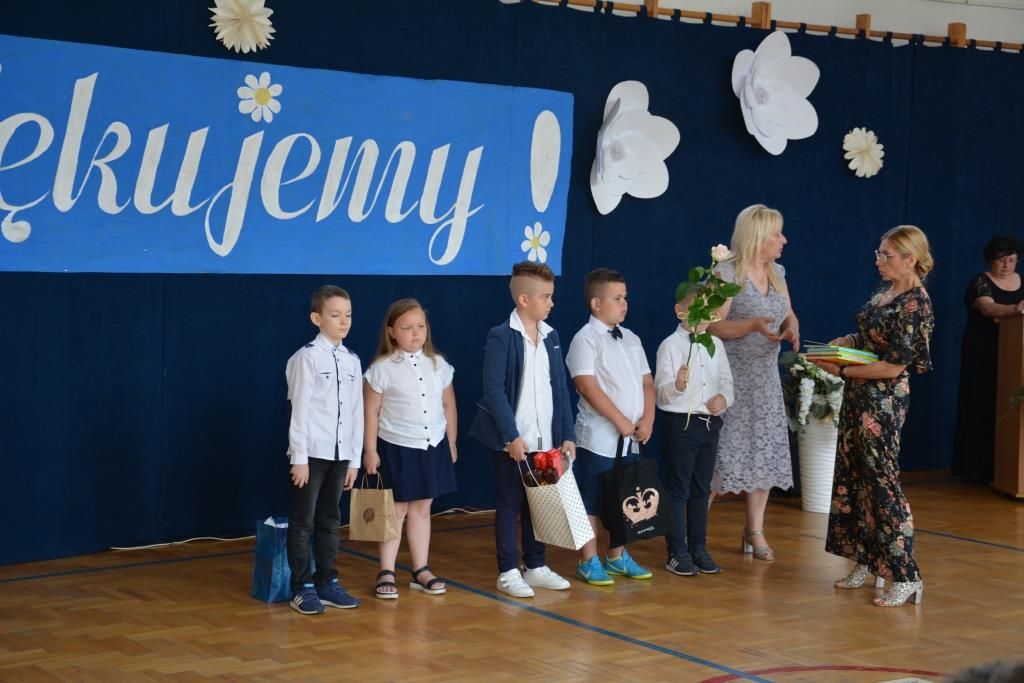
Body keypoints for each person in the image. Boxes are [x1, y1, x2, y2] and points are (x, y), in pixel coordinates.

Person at [815, 225, 935, 608]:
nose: (878, 260)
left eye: (886, 255)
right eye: (879, 253)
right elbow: (869, 336)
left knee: (882, 484)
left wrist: (842, 370)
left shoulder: (916, 304)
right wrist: (846, 342)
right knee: (855, 478)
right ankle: (867, 561)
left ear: (910, 259)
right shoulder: (887, 293)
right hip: (858, 396)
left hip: (882, 403)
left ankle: (906, 574)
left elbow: (893, 366)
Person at [469, 261, 576, 599]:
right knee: (510, 502)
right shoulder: (501, 336)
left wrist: (567, 434)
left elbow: (560, 388)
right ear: (524, 300)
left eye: (552, 296)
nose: (551, 303)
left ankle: (536, 565)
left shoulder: (551, 336)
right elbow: (494, 390)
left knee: (540, 503)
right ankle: (508, 571)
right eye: (546, 297)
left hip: (546, 442)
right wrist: (510, 436)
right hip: (515, 442)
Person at [707, 204, 799, 561]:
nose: (784, 240)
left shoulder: (778, 272)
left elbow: (788, 313)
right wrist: (752, 325)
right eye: (777, 234)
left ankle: (755, 531)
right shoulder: (726, 273)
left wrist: (791, 328)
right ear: (758, 237)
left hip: (765, 380)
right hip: (730, 380)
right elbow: (712, 325)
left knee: (764, 454)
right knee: (720, 455)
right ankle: (693, 532)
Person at [363, 299, 458, 600]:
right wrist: (370, 450)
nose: (416, 333)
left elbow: (448, 404)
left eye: (420, 326)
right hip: (397, 446)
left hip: (431, 444)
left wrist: (451, 441)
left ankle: (420, 569)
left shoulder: (438, 364)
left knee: (422, 507)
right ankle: (386, 570)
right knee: (395, 509)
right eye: (407, 328)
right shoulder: (381, 369)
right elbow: (370, 412)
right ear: (391, 332)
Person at [565, 268, 655, 585]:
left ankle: (616, 556)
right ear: (596, 303)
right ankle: (588, 560)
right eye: (617, 298)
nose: (624, 303)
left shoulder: (632, 338)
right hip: (599, 438)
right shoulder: (585, 340)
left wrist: (647, 419)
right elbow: (587, 386)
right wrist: (619, 420)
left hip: (631, 438)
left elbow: (647, 382)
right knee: (592, 499)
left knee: (624, 497)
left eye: (625, 297)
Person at [284, 285, 363, 614]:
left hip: (341, 455)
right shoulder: (307, 357)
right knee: (304, 520)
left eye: (348, 315)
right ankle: (301, 586)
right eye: (335, 315)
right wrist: (299, 457)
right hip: (312, 454)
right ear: (317, 318)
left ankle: (327, 580)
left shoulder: (352, 360)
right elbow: (299, 410)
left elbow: (357, 412)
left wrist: (354, 460)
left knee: (331, 519)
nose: (344, 321)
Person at [656, 286, 734, 576]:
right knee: (679, 489)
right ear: (680, 311)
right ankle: (676, 551)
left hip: (709, 425)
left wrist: (723, 399)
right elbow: (660, 394)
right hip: (681, 425)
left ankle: (699, 548)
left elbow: (726, 382)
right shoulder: (669, 346)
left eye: (708, 311)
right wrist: (677, 385)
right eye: (697, 310)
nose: (704, 316)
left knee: (702, 489)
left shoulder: (716, 344)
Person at [952, 235, 1024, 483]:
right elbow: (988, 308)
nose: (1006, 265)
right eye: (1001, 260)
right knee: (982, 403)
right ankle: (977, 470)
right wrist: (1017, 309)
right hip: (984, 353)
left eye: (1012, 260)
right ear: (990, 261)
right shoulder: (980, 282)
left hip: (1016, 356)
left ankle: (1009, 470)